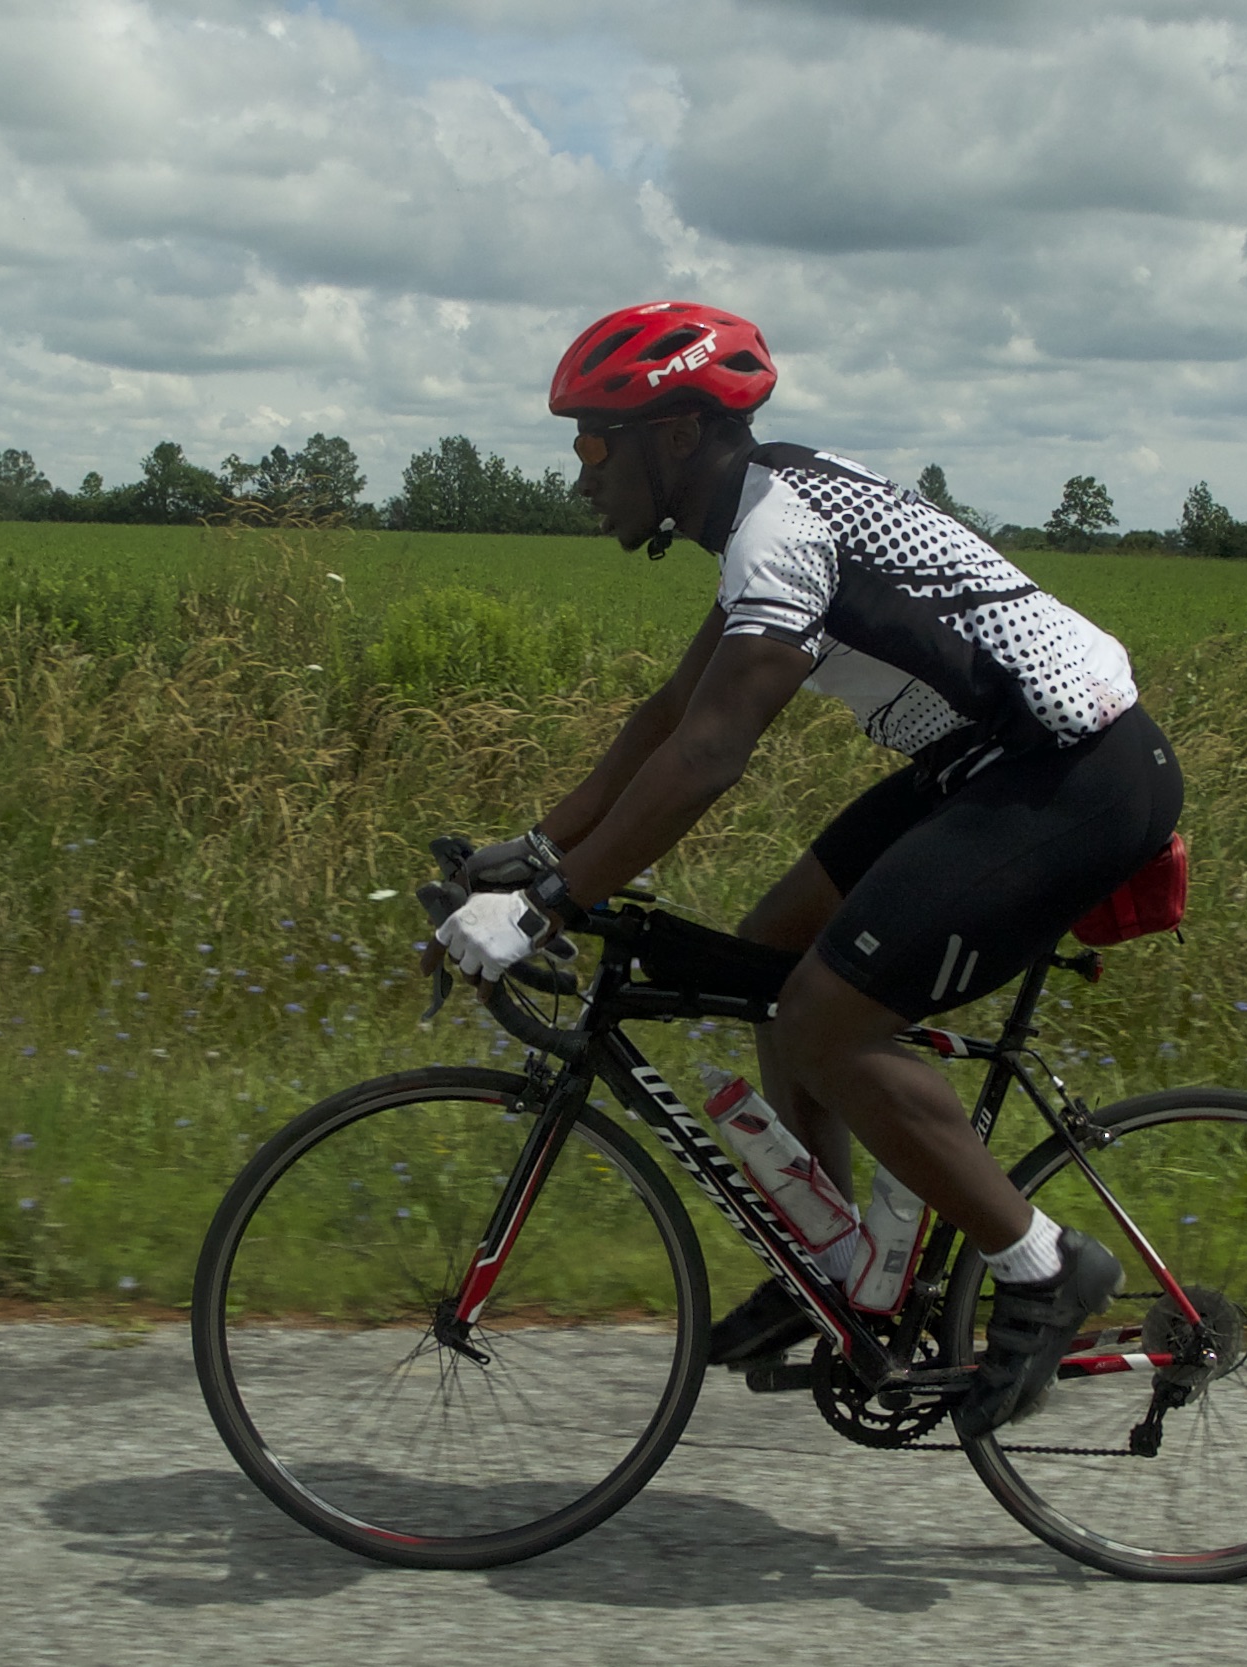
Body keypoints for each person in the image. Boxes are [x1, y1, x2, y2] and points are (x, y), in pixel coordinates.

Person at [431, 300, 1184, 1439]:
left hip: (1074, 773)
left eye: (593, 444)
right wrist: (537, 849)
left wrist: (548, 905)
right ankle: (837, 1266)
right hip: (990, 763)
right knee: (770, 958)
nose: (581, 476)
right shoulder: (764, 510)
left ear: (674, 436)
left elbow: (711, 752)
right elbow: (670, 711)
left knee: (827, 1018)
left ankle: (1040, 1263)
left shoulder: (781, 527)